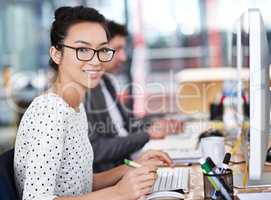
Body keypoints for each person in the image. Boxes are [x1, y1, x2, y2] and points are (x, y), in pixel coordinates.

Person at [14, 6, 172, 200]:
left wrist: (133, 166)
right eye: (82, 49)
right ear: (56, 55)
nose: (97, 61)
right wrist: (118, 193)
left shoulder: (75, 107)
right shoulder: (49, 111)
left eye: (102, 50)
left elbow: (83, 182)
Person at [85, 20, 182, 173]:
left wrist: (154, 124)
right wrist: (147, 134)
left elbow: (125, 126)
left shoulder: (106, 82)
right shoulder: (86, 90)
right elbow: (96, 150)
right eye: (117, 49)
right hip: (113, 175)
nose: (123, 57)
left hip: (128, 162)